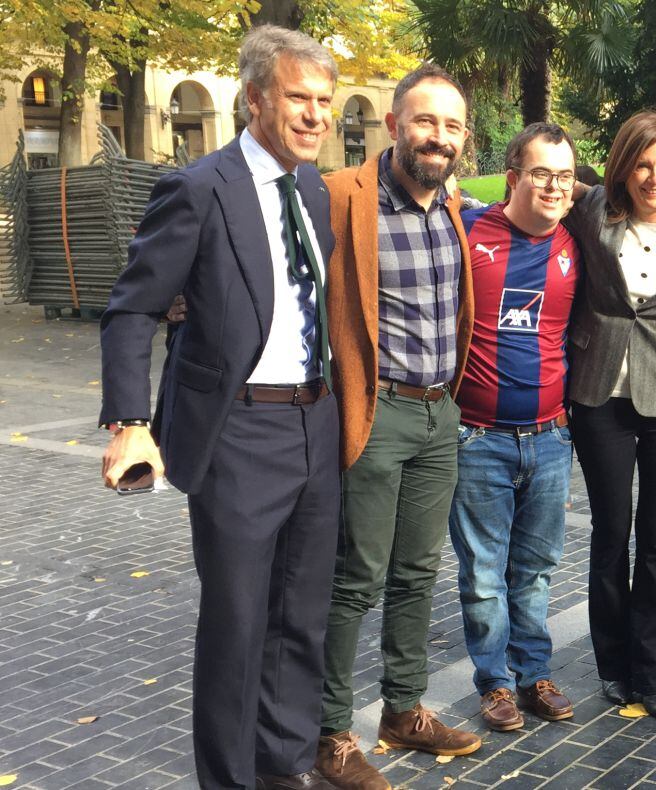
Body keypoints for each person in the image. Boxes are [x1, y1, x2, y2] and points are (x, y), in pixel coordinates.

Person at [100, 26, 341, 790]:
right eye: (298, 99)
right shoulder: (201, 187)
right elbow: (132, 308)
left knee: (301, 620)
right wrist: (130, 421)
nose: (314, 116)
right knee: (239, 626)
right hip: (239, 434)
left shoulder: (312, 189)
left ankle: (287, 764)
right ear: (256, 99)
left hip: (315, 424)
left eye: (324, 103)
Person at [314, 64, 480, 789]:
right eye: (425, 121)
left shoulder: (452, 207)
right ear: (394, 124)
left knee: (418, 571)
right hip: (375, 411)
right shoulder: (337, 197)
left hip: (440, 412)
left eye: (451, 126)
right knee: (357, 577)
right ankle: (329, 733)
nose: (437, 137)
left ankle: (404, 710)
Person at [563, 110, 656, 721]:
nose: (655, 176)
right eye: (643, 163)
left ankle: (654, 675)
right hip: (600, 395)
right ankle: (613, 668)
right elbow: (525, 200)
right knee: (609, 533)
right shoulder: (591, 209)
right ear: (623, 166)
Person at [450, 123, 580, 732]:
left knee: (535, 569)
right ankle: (495, 683)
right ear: (513, 177)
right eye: (540, 174)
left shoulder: (575, 243)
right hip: (479, 438)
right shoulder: (469, 231)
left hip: (552, 438)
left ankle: (534, 675)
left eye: (563, 176)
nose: (553, 187)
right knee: (482, 572)